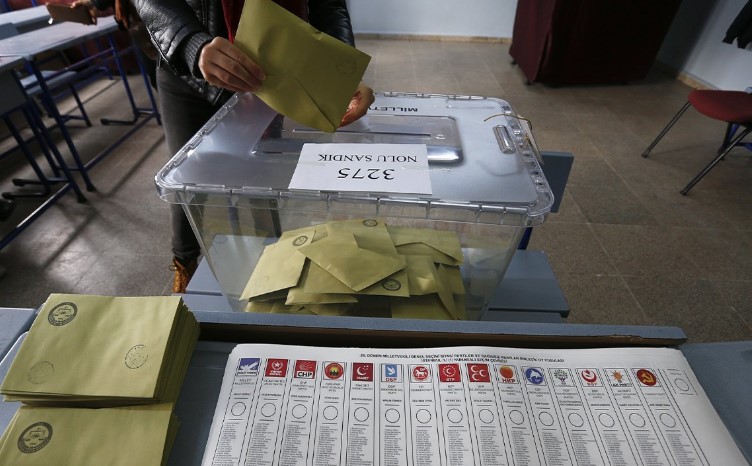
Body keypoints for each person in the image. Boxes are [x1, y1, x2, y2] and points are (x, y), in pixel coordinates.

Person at [131, 0, 375, 293]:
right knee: (186, 189)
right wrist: (191, 42)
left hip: (269, 74)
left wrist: (342, 73)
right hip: (188, 73)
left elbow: (329, 5)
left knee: (263, 183)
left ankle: (272, 267)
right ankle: (184, 264)